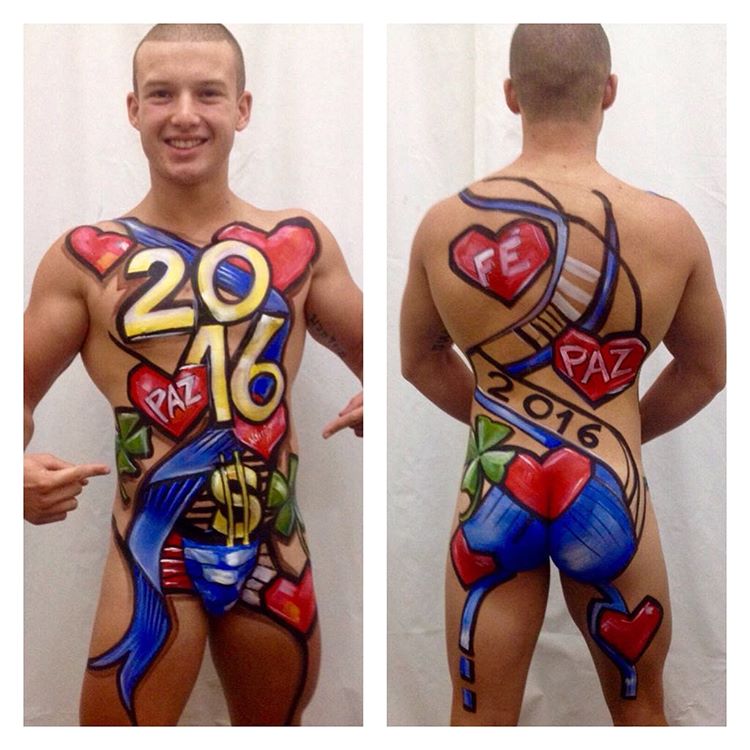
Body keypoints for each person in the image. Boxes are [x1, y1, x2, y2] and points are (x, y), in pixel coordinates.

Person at [24, 24, 363, 726]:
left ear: (242, 107)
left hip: (272, 552)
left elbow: (408, 358)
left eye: (207, 93)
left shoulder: (300, 245)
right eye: (161, 94)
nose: (184, 114)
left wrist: (382, 400)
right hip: (149, 560)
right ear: (133, 109)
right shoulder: (83, 260)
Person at [400, 24, 724, 726]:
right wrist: (620, 429)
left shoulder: (444, 224)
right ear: (609, 90)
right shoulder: (669, 228)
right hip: (613, 492)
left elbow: (418, 361)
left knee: (478, 720)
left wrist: (498, 416)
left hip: (494, 491)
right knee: (641, 713)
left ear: (510, 94)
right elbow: (707, 370)